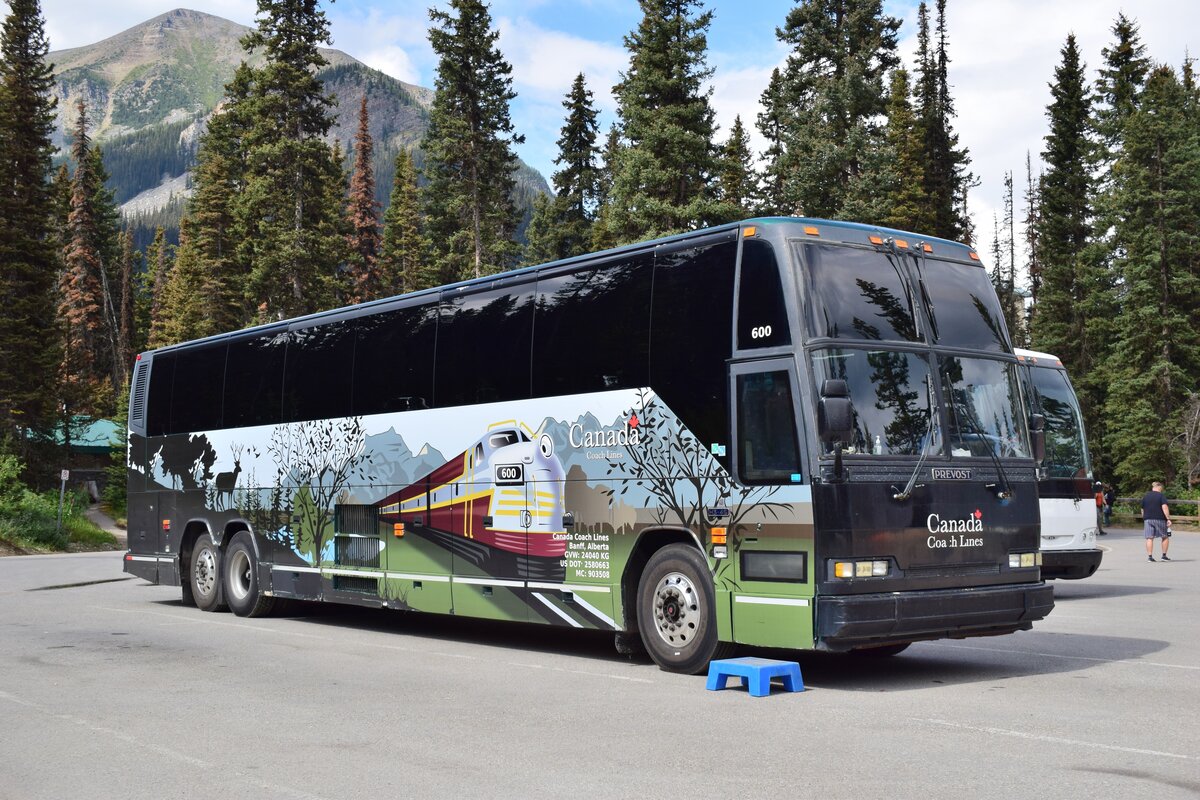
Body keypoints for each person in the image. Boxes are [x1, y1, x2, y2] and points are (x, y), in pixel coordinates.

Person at [1141, 481, 1172, 562]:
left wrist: (1144, 517)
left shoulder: (1146, 496)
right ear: (1159, 488)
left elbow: (1142, 509)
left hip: (1148, 519)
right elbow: (1164, 507)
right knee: (1165, 536)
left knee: (1149, 538)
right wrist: (1168, 518)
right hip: (1160, 519)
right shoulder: (1161, 496)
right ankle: (1164, 556)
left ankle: (1150, 557)